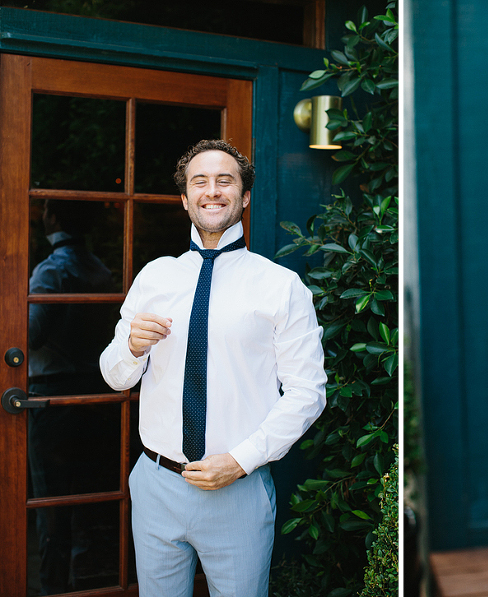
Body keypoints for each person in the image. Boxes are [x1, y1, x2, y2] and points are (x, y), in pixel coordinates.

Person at [99, 139, 327, 596]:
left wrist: (240, 462)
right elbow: (115, 375)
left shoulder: (281, 286)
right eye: (199, 181)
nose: (212, 190)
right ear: (185, 200)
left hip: (236, 491)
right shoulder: (155, 277)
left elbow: (308, 392)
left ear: (244, 197)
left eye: (226, 180)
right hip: (156, 484)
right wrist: (131, 347)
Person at [29, 199, 117, 594]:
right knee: (87, 495)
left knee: (51, 499)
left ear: (52, 217)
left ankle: (51, 586)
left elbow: (30, 335)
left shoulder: (51, 270)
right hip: (95, 394)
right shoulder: (99, 269)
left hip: (53, 396)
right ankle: (85, 580)